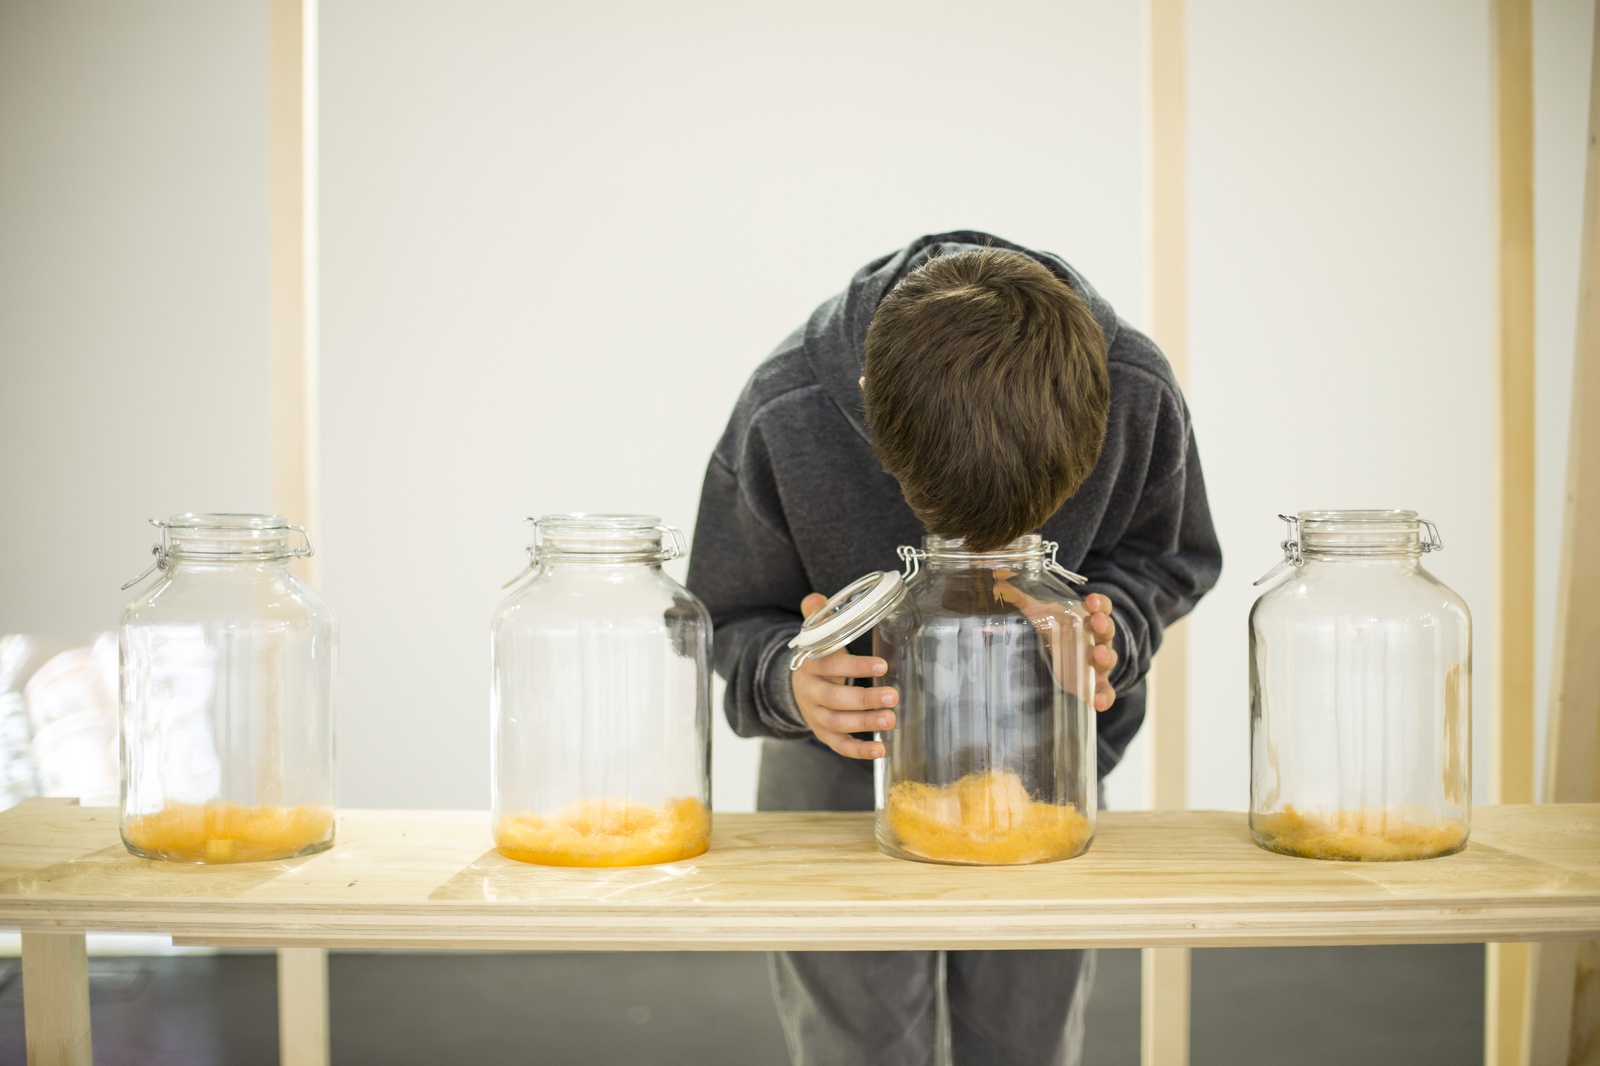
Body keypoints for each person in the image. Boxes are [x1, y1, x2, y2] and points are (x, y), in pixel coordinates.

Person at [686, 231, 1222, 1066]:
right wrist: (791, 679)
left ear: (1101, 409)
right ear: (869, 405)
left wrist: (1112, 623)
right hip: (834, 764)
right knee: (855, 1044)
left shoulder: (1137, 390)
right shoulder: (785, 410)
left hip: (1047, 771)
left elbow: (1170, 556)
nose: (987, 567)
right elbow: (724, 614)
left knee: (1026, 1039)